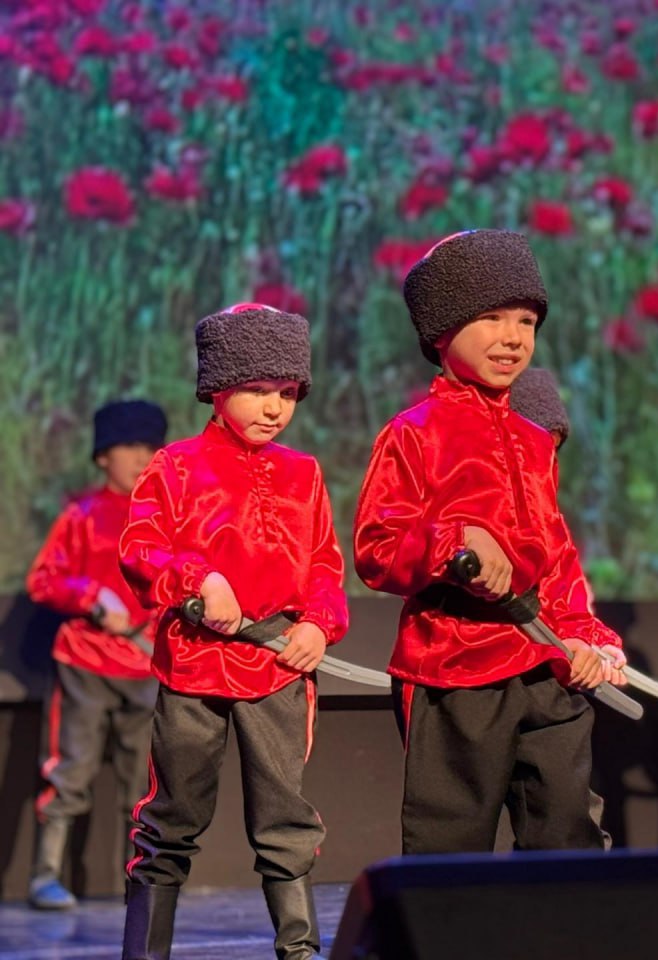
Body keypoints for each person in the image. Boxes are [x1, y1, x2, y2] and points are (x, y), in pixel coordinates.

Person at [353, 229, 624, 855]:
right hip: (454, 670)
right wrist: (455, 541)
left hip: (544, 664)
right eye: (491, 318)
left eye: (526, 320)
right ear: (440, 333)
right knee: (451, 843)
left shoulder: (533, 440)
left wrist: (584, 633)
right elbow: (377, 548)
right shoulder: (413, 433)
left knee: (567, 834)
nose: (513, 337)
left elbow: (555, 553)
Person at [118, 303, 348, 960]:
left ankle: (299, 952)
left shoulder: (304, 473)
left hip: (277, 668)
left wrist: (319, 625)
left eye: (286, 392)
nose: (273, 407)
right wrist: (197, 579)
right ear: (216, 388)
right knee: (172, 818)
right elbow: (140, 550)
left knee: (285, 819)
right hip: (195, 666)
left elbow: (326, 564)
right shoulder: (176, 466)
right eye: (255, 388)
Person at [25, 399, 167, 910]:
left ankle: (143, 884)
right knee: (71, 770)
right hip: (86, 663)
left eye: (151, 447)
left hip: (145, 666)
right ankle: (45, 875)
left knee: (143, 785)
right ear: (104, 454)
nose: (141, 457)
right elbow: (43, 580)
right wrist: (90, 597)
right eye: (130, 445)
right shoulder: (82, 514)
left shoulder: (163, 518)